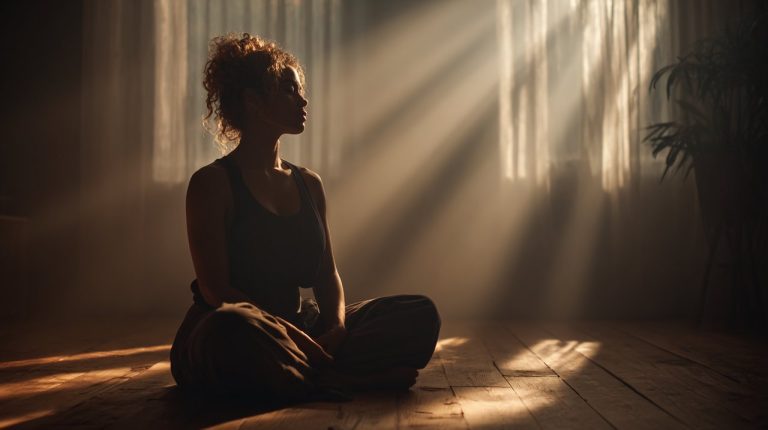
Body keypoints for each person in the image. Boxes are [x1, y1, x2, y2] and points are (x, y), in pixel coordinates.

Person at [169, 33, 441, 402]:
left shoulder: (309, 184)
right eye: (288, 90)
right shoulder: (211, 184)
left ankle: (313, 375)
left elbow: (327, 274)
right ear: (253, 102)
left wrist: (337, 328)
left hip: (300, 326)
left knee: (418, 314)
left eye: (300, 91)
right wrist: (303, 343)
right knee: (232, 327)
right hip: (240, 331)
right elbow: (216, 292)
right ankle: (345, 380)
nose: (303, 99)